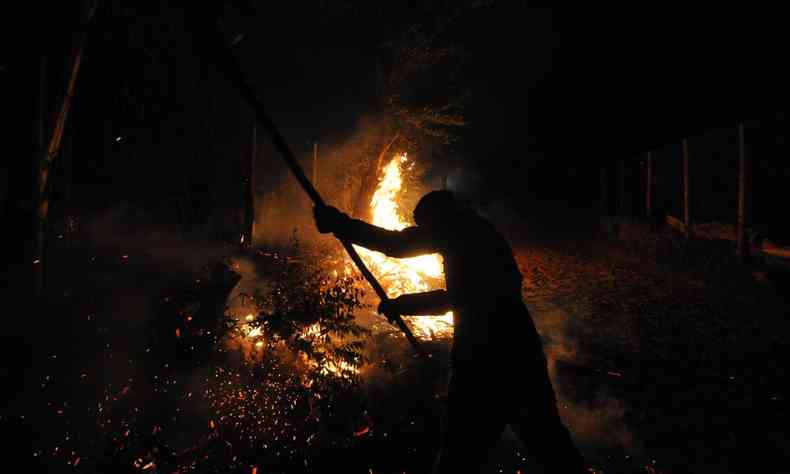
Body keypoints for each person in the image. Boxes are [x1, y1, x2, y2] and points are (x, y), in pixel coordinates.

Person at [313, 190, 587, 473]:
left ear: (439, 217)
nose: (422, 233)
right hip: (519, 353)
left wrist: (341, 225)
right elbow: (457, 292)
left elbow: (398, 247)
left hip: (484, 362)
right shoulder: (479, 233)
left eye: (424, 226)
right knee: (548, 446)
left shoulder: (459, 233)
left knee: (462, 455)